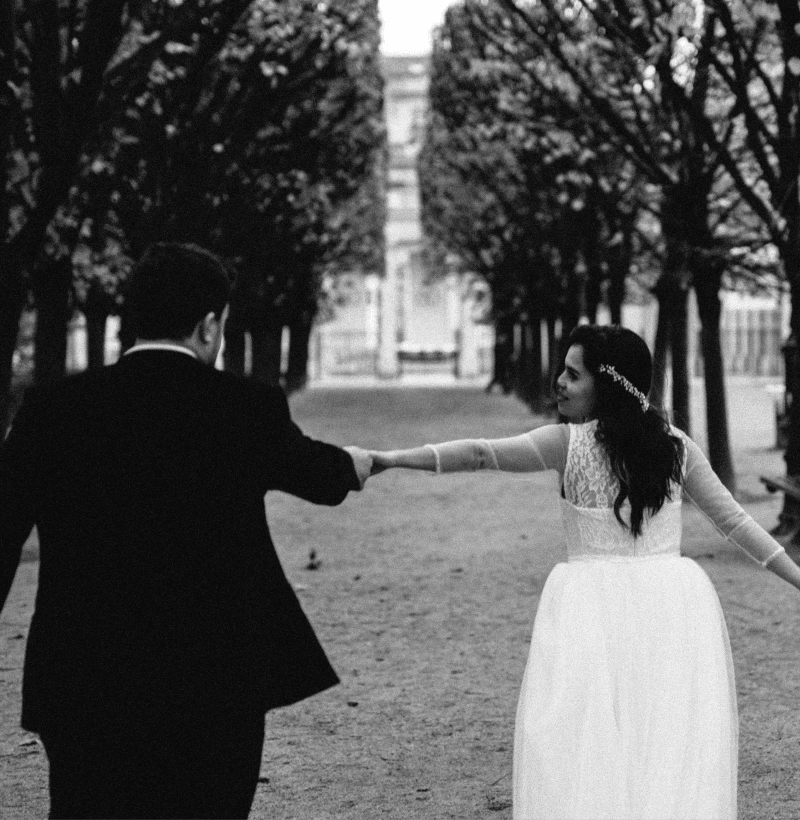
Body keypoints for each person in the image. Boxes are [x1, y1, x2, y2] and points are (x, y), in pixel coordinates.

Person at [366, 324, 800, 820]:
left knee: (582, 743)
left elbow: (482, 453)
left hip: (590, 611)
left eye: (573, 375)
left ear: (608, 384)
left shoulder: (565, 444)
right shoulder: (675, 447)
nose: (559, 382)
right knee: (660, 743)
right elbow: (736, 523)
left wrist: (390, 460)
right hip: (671, 607)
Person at [0, 242, 372, 820]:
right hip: (215, 680)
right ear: (207, 325)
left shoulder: (51, 409)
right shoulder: (244, 406)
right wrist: (354, 463)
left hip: (82, 680)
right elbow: (319, 476)